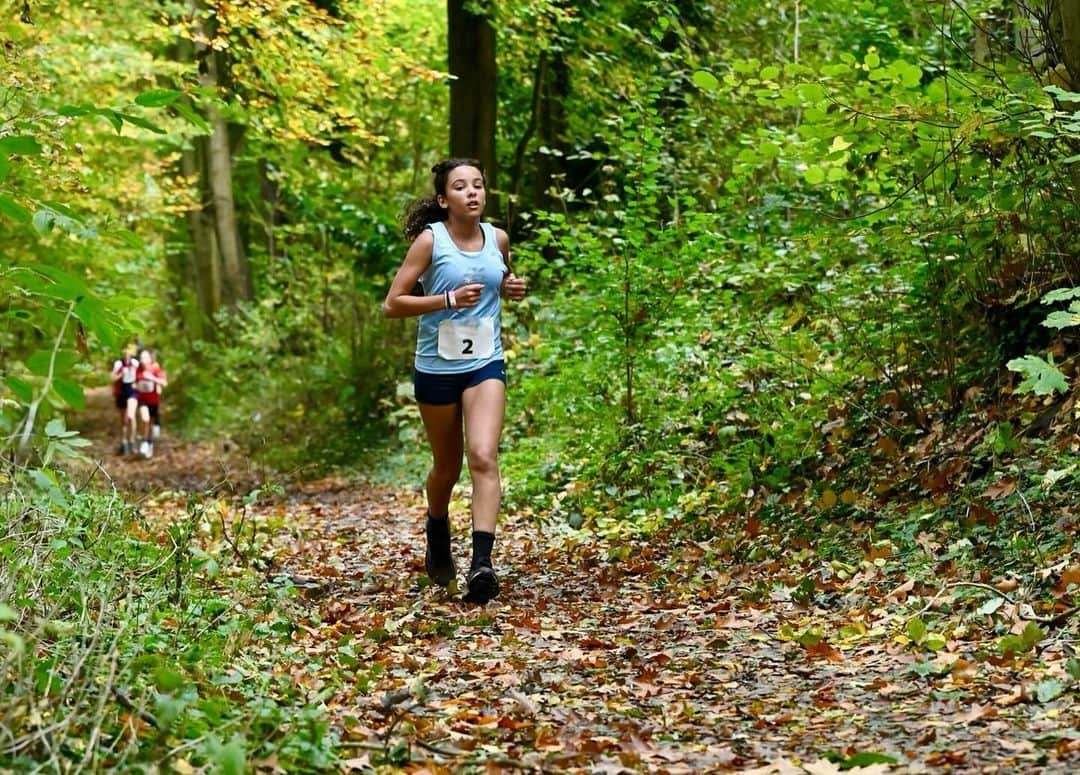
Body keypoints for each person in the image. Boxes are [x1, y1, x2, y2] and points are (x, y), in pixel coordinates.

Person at [382, 158, 527, 603]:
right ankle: (437, 529)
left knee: (483, 455)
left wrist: (509, 288)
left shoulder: (498, 239)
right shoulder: (430, 241)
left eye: (478, 185)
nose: (472, 192)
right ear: (445, 199)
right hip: (436, 368)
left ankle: (482, 564)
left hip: (485, 361)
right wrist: (444, 299)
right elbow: (393, 303)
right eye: (461, 187)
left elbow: (497, 277)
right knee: (447, 467)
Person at [134, 348, 167, 459]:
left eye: (145, 357)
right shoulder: (138, 370)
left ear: (150, 359)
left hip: (154, 401)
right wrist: (136, 386)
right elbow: (135, 383)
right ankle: (144, 442)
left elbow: (164, 383)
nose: (143, 359)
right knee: (145, 420)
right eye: (141, 357)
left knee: (151, 423)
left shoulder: (155, 369)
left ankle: (149, 443)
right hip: (142, 400)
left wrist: (152, 378)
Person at [110, 347, 139, 455]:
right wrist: (120, 374)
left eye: (128, 350)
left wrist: (137, 383)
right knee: (124, 420)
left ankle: (132, 441)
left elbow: (140, 374)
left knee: (131, 416)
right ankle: (124, 442)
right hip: (121, 392)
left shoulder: (135, 363)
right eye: (124, 350)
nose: (126, 353)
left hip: (132, 391)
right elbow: (112, 378)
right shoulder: (118, 364)